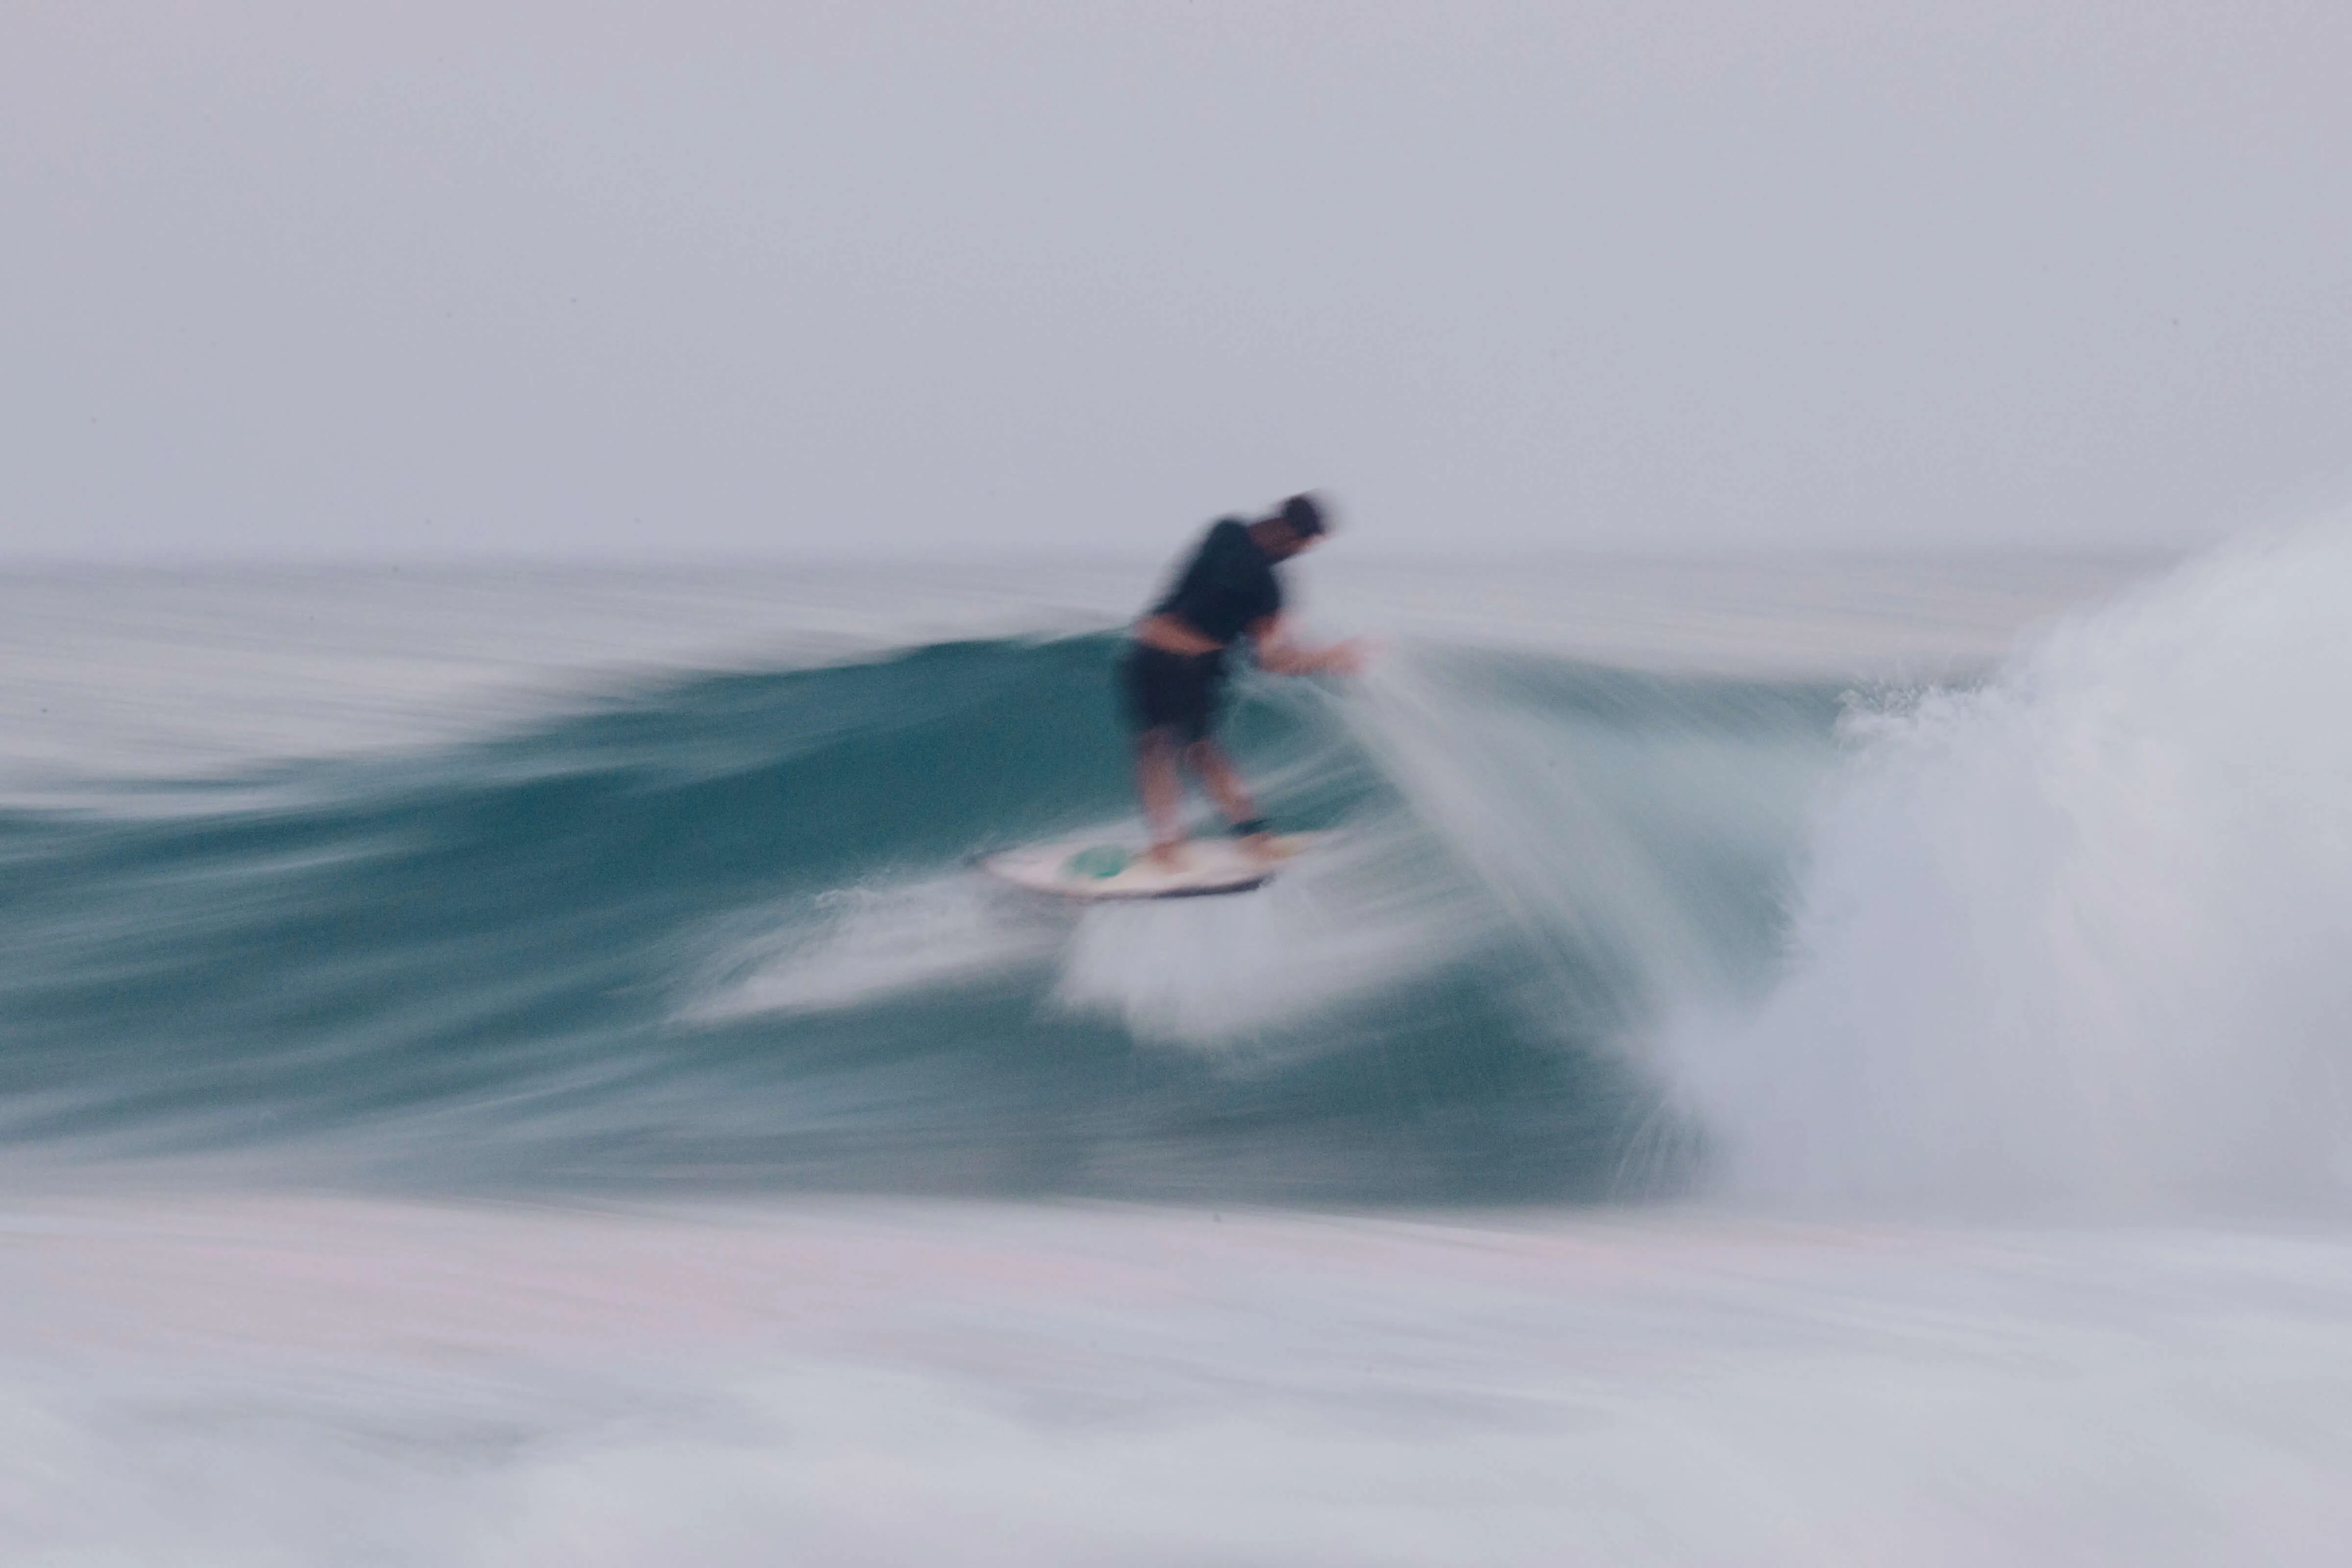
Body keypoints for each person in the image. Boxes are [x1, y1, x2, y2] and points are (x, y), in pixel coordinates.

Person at [1121, 492, 1364, 869]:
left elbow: (1271, 658)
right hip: (1154, 656)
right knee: (1157, 748)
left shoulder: (1251, 563)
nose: (1300, 553)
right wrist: (1325, 656)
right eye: (1303, 545)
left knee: (1196, 751)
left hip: (1189, 664)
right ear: (1290, 532)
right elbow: (1272, 656)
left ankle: (1249, 837)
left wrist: (1321, 656)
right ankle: (1174, 843)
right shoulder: (1236, 544)